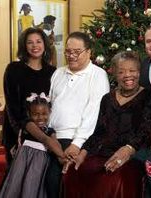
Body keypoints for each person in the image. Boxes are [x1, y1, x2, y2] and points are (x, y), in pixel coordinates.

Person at [62, 51, 151, 198]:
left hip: (133, 155)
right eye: (121, 71)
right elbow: (99, 131)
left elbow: (145, 132)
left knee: (115, 180)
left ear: (139, 72)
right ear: (115, 74)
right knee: (73, 171)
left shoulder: (149, 97)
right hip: (102, 153)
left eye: (132, 71)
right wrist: (82, 154)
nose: (127, 75)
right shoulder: (107, 98)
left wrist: (128, 150)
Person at [45, 31, 110, 198]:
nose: (71, 56)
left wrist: (77, 144)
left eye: (76, 52)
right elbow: (49, 106)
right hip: (52, 139)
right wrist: (49, 134)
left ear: (89, 52)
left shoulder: (98, 75)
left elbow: (94, 113)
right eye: (68, 51)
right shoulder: (58, 73)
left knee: (61, 184)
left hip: (76, 141)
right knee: (44, 183)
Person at [2, 27, 59, 167]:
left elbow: (54, 105)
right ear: (24, 46)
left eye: (38, 41)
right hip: (19, 134)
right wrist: (37, 136)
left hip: (46, 131)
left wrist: (49, 136)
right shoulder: (13, 69)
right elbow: (13, 108)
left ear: (45, 44)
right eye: (30, 42)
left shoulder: (53, 72)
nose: (35, 46)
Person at [0, 93, 68, 198]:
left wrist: (62, 157)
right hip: (25, 164)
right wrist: (63, 156)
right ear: (29, 114)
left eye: (44, 113)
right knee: (22, 188)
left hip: (41, 166)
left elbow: (55, 144)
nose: (40, 117)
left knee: (36, 189)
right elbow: (47, 141)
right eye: (35, 114)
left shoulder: (50, 131)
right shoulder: (28, 127)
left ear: (50, 112)